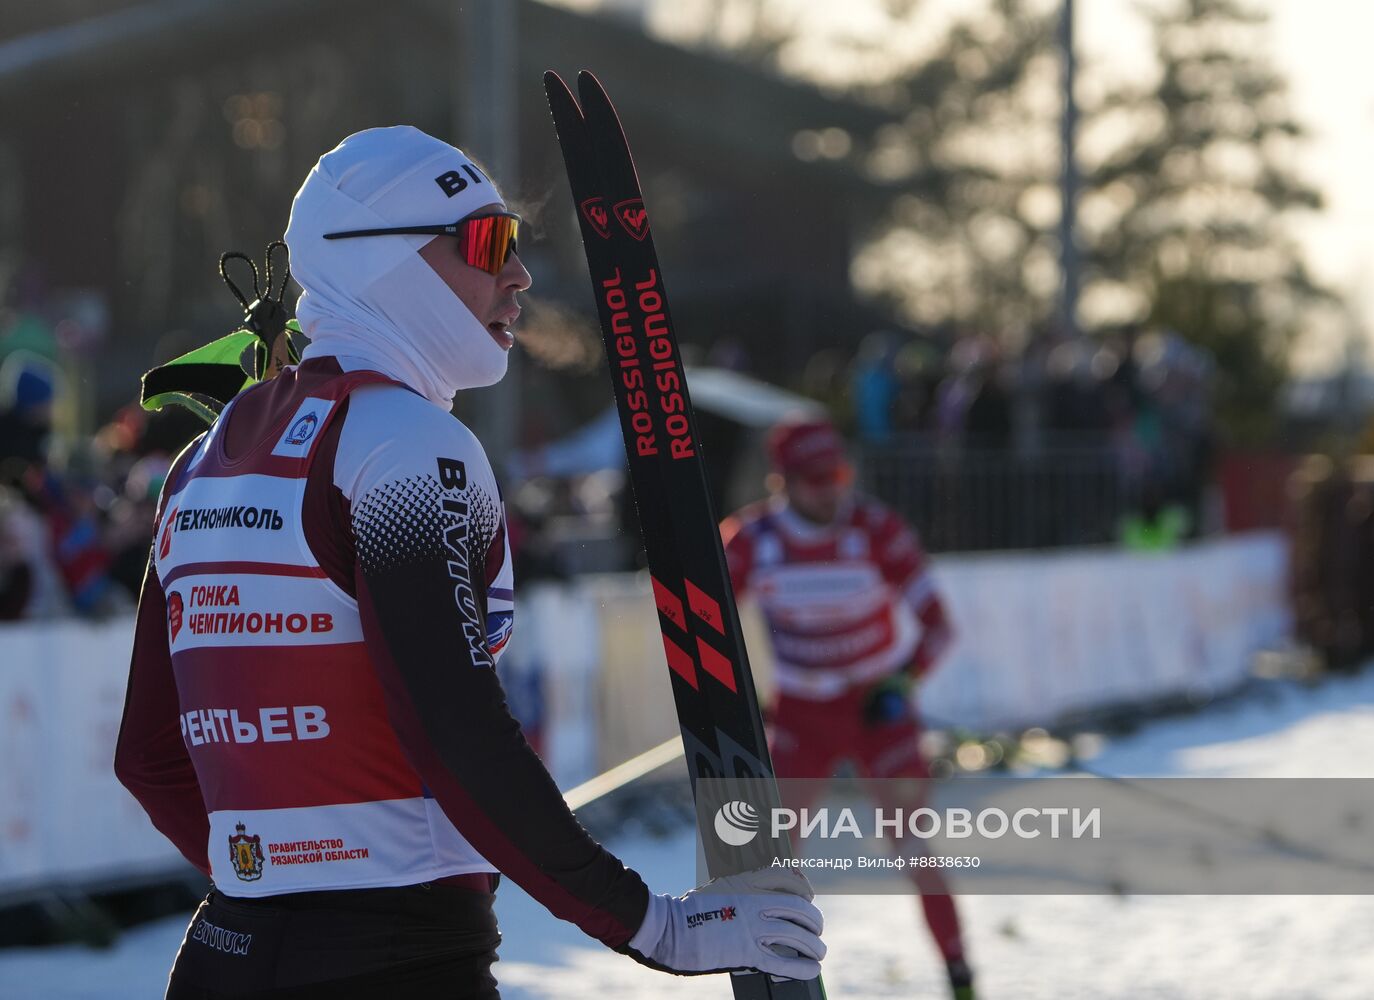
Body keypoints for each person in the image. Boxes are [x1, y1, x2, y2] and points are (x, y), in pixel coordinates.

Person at [114, 126, 823, 999]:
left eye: (516, 244)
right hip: (396, 966)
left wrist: (275, 886)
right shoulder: (405, 445)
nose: (518, 276)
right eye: (488, 243)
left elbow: (147, 755)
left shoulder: (201, 461)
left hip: (228, 958)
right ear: (383, 263)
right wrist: (654, 927)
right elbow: (455, 731)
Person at [721, 416, 974, 1000]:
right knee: (772, 855)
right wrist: (740, 699)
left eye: (837, 474)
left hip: (877, 711)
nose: (831, 490)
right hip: (803, 714)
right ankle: (781, 981)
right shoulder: (753, 539)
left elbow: (938, 626)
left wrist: (900, 684)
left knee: (912, 842)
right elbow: (706, 625)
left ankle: (961, 977)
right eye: (814, 480)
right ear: (781, 481)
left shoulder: (875, 528)